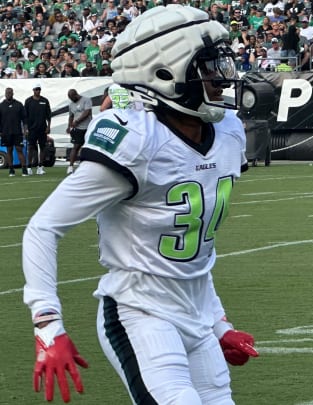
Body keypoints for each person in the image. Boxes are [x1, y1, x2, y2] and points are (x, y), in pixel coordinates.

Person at [22, 5, 258, 405]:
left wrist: (219, 324)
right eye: (208, 65)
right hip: (139, 311)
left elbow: (195, 250)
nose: (222, 77)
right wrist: (48, 325)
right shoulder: (137, 140)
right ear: (165, 71)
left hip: (197, 315)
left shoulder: (228, 131)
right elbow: (43, 228)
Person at [24, 82, 52, 175]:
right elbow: (25, 117)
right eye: (36, 89)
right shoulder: (28, 101)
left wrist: (48, 126)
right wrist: (26, 128)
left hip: (42, 128)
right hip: (32, 129)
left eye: (39, 89)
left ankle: (40, 167)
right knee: (31, 147)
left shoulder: (45, 100)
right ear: (33, 90)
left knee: (42, 147)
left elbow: (49, 115)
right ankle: (29, 167)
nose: (38, 91)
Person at [0, 87, 29, 176]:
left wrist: (25, 129)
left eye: (10, 92)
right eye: (7, 93)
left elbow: (24, 119)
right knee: (9, 150)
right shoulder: (1, 105)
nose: (8, 94)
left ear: (13, 93)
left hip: (17, 132)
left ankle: (24, 169)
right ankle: (11, 169)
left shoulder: (19, 104)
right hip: (6, 132)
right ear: (5, 94)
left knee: (19, 149)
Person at [65, 88, 92, 174]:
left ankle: (87, 165)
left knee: (88, 147)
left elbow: (87, 112)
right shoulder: (71, 105)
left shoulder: (86, 100)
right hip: (77, 129)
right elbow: (71, 116)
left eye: (72, 98)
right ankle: (70, 166)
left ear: (76, 94)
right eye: (70, 99)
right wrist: (69, 126)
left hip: (88, 127)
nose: (72, 100)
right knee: (76, 147)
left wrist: (77, 121)